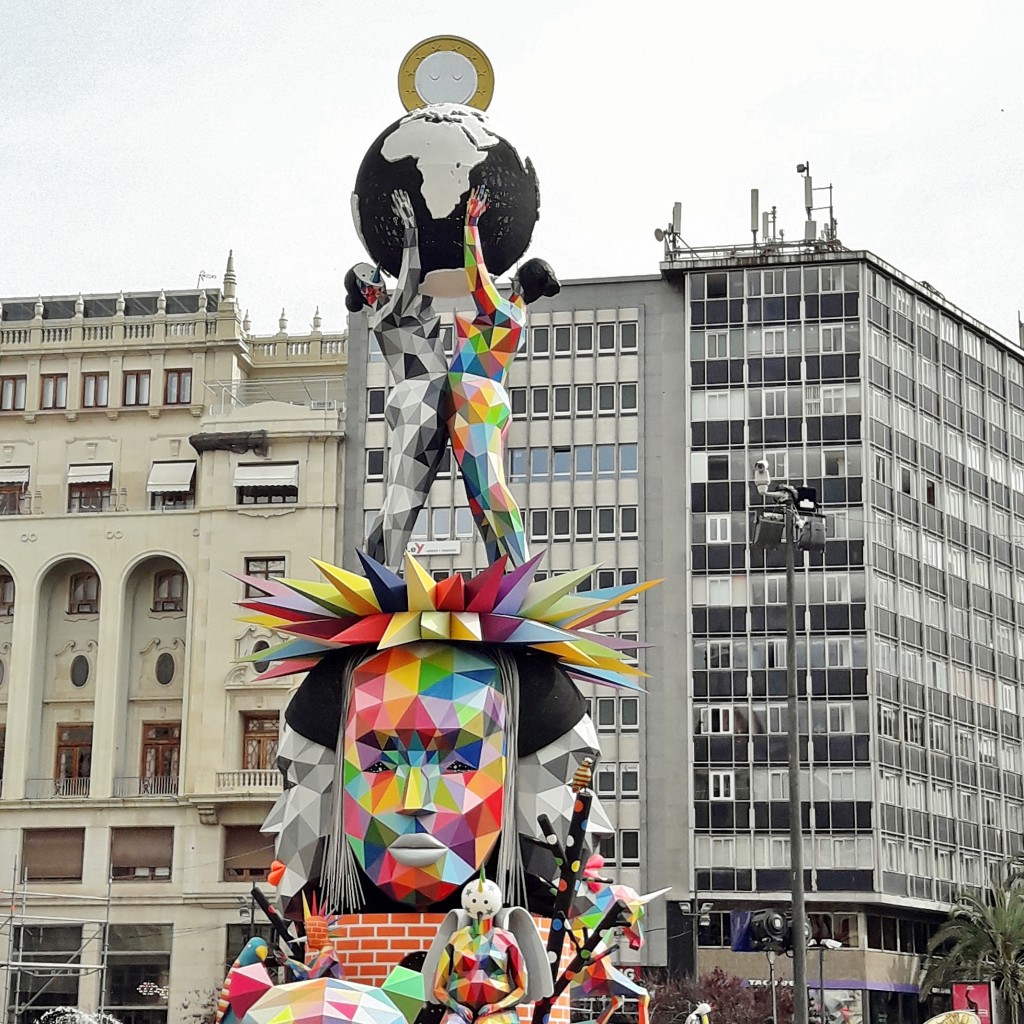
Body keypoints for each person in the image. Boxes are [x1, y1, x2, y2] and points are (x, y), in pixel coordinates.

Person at [447, 186, 558, 566]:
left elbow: (475, 275)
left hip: (476, 399)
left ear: (516, 281)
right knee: (478, 495)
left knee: (490, 487)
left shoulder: (504, 314)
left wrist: (471, 224)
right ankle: (498, 570)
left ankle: (521, 564)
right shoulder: (513, 315)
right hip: (479, 399)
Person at [346, 189, 450, 570]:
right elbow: (412, 276)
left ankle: (375, 561)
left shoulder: (391, 314)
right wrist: (410, 233)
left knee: (407, 491)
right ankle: (382, 568)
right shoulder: (390, 313)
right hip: (420, 395)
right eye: (370, 278)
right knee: (406, 492)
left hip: (425, 397)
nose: (378, 279)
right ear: (366, 292)